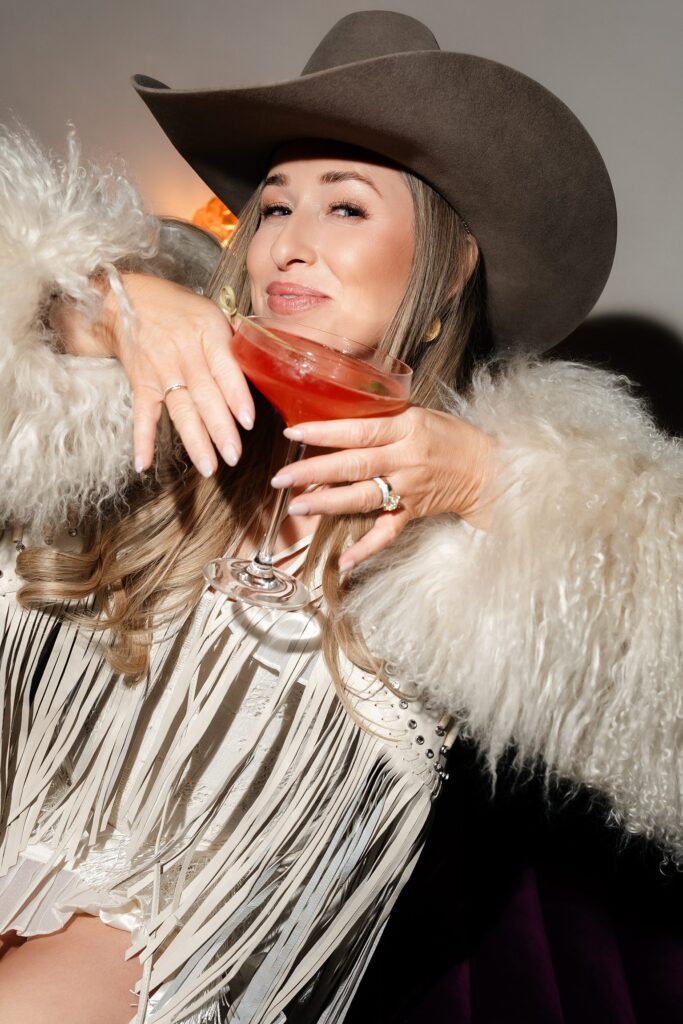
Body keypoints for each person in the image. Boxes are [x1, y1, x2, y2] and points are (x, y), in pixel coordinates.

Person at [0, 9, 680, 1023]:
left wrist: (503, 490)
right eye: (273, 207)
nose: (288, 245)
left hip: (160, 961)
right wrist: (92, 305)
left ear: (448, 271)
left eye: (346, 208)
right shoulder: (128, 399)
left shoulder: (483, 540)